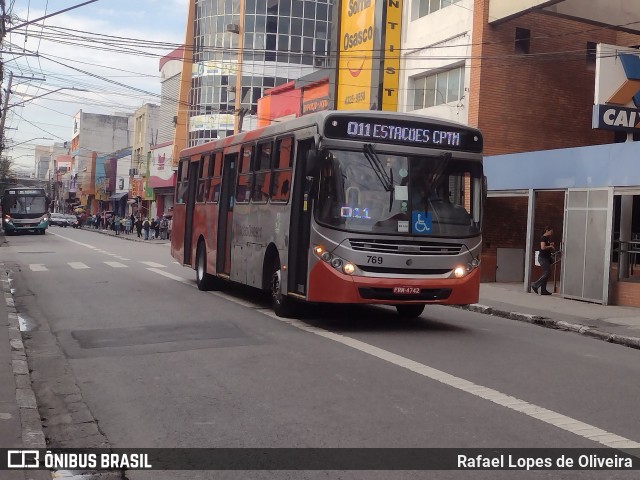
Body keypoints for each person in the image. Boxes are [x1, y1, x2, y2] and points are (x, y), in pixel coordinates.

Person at [531, 226, 555, 295]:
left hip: (546, 258)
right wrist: (550, 246)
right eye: (551, 231)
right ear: (547, 230)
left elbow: (546, 247)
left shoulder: (547, 238)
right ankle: (535, 285)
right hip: (543, 258)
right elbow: (543, 247)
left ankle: (543, 290)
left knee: (546, 273)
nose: (552, 233)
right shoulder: (543, 238)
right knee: (547, 273)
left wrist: (550, 245)